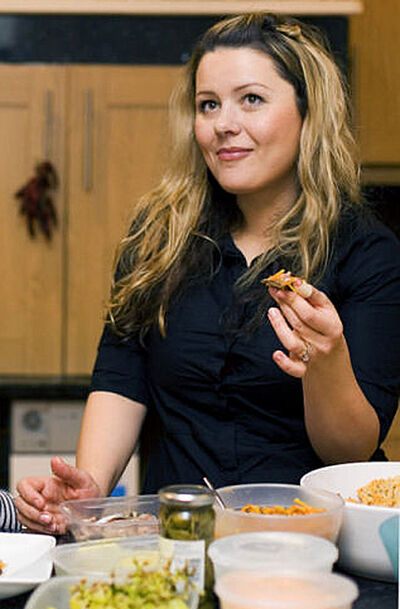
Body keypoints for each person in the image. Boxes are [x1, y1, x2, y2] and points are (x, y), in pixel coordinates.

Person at [15, 12, 400, 534]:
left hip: (306, 544)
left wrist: (325, 364)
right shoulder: (160, 236)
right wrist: (90, 487)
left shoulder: (368, 252)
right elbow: (122, 376)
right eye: (208, 104)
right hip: (177, 540)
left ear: (309, 113)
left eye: (252, 99)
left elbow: (349, 451)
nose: (223, 124)